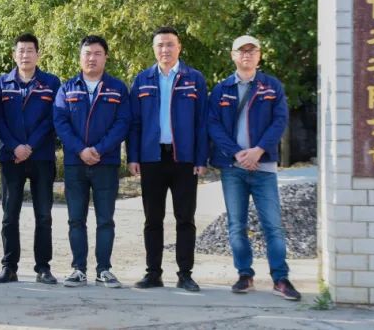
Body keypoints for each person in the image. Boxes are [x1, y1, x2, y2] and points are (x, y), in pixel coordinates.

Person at [207, 35, 301, 301]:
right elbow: (213, 124)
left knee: (273, 225)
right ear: (233, 55)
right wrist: (236, 153)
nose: (247, 55)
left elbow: (279, 120)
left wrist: (258, 150)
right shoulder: (222, 89)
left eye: (252, 50)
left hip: (264, 166)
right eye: (242, 51)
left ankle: (280, 278)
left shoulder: (272, 86)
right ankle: (244, 275)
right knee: (236, 225)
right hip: (232, 167)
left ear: (259, 55)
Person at [128, 26, 209, 292]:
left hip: (183, 158)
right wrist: (133, 156)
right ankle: (153, 273)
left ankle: (185, 274)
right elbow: (134, 123)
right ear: (154, 49)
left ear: (179, 47)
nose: (165, 49)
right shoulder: (142, 80)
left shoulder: (194, 79)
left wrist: (201, 158)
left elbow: (202, 123)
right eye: (160, 45)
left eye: (170, 44)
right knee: (153, 219)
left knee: (185, 218)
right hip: (151, 158)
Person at [53, 35, 130, 289]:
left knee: (105, 219)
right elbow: (61, 122)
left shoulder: (117, 89)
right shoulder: (67, 89)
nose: (92, 58)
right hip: (75, 164)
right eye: (87, 53)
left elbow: (122, 123)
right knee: (76, 219)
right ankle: (78, 269)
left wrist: (98, 149)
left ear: (106, 57)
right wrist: (80, 150)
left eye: (97, 53)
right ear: (80, 57)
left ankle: (104, 269)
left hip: (105, 163)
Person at [0, 33, 61, 285]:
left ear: (38, 55)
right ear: (14, 55)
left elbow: (52, 119)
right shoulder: (2, 83)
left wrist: (30, 146)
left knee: (43, 215)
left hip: (41, 156)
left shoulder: (51, 83)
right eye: (20, 51)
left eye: (30, 50)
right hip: (11, 158)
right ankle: (9, 266)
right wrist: (15, 147)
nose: (25, 55)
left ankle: (43, 267)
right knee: (10, 215)